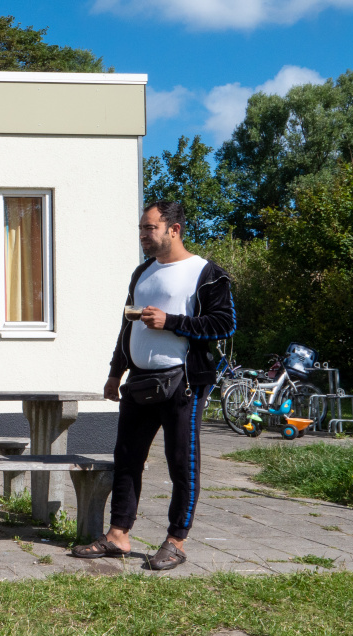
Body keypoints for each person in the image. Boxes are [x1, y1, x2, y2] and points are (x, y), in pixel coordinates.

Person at [72, 201, 235, 570]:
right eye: (142, 229)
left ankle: (176, 541)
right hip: (139, 382)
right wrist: (116, 372)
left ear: (174, 229)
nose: (144, 235)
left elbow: (224, 324)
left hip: (184, 384)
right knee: (127, 460)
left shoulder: (206, 273)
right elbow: (127, 326)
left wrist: (173, 321)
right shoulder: (142, 272)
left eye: (150, 228)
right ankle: (118, 535)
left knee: (182, 463)